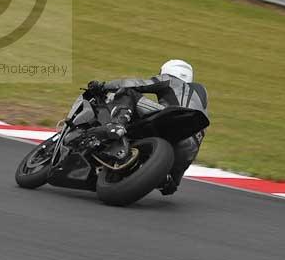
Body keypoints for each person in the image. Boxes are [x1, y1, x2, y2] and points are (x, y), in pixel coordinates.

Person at [85, 59, 208, 196]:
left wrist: (103, 86)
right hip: (192, 142)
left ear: (169, 71)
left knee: (129, 92)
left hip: (172, 116)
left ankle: (117, 124)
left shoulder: (171, 80)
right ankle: (168, 179)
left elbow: (138, 84)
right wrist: (175, 179)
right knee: (172, 180)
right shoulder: (201, 94)